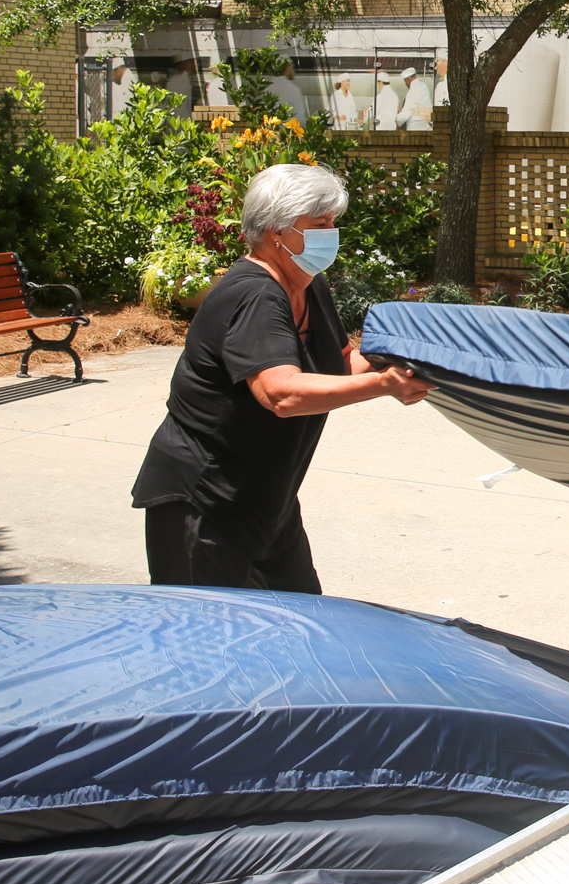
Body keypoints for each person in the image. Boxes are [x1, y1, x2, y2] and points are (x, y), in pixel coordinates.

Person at [132, 163, 433, 590]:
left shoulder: (308, 284)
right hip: (205, 502)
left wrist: (410, 357)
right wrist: (384, 386)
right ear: (277, 232)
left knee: (302, 626)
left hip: (268, 501)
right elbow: (280, 394)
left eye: (333, 222)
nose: (332, 234)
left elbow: (341, 365)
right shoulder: (253, 294)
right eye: (320, 224)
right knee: (206, 642)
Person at [397, 65, 434, 130]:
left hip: (415, 126)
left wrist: (397, 121)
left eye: (405, 82)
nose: (406, 84)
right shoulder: (423, 86)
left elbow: (407, 111)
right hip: (426, 124)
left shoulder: (413, 90)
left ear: (408, 79)